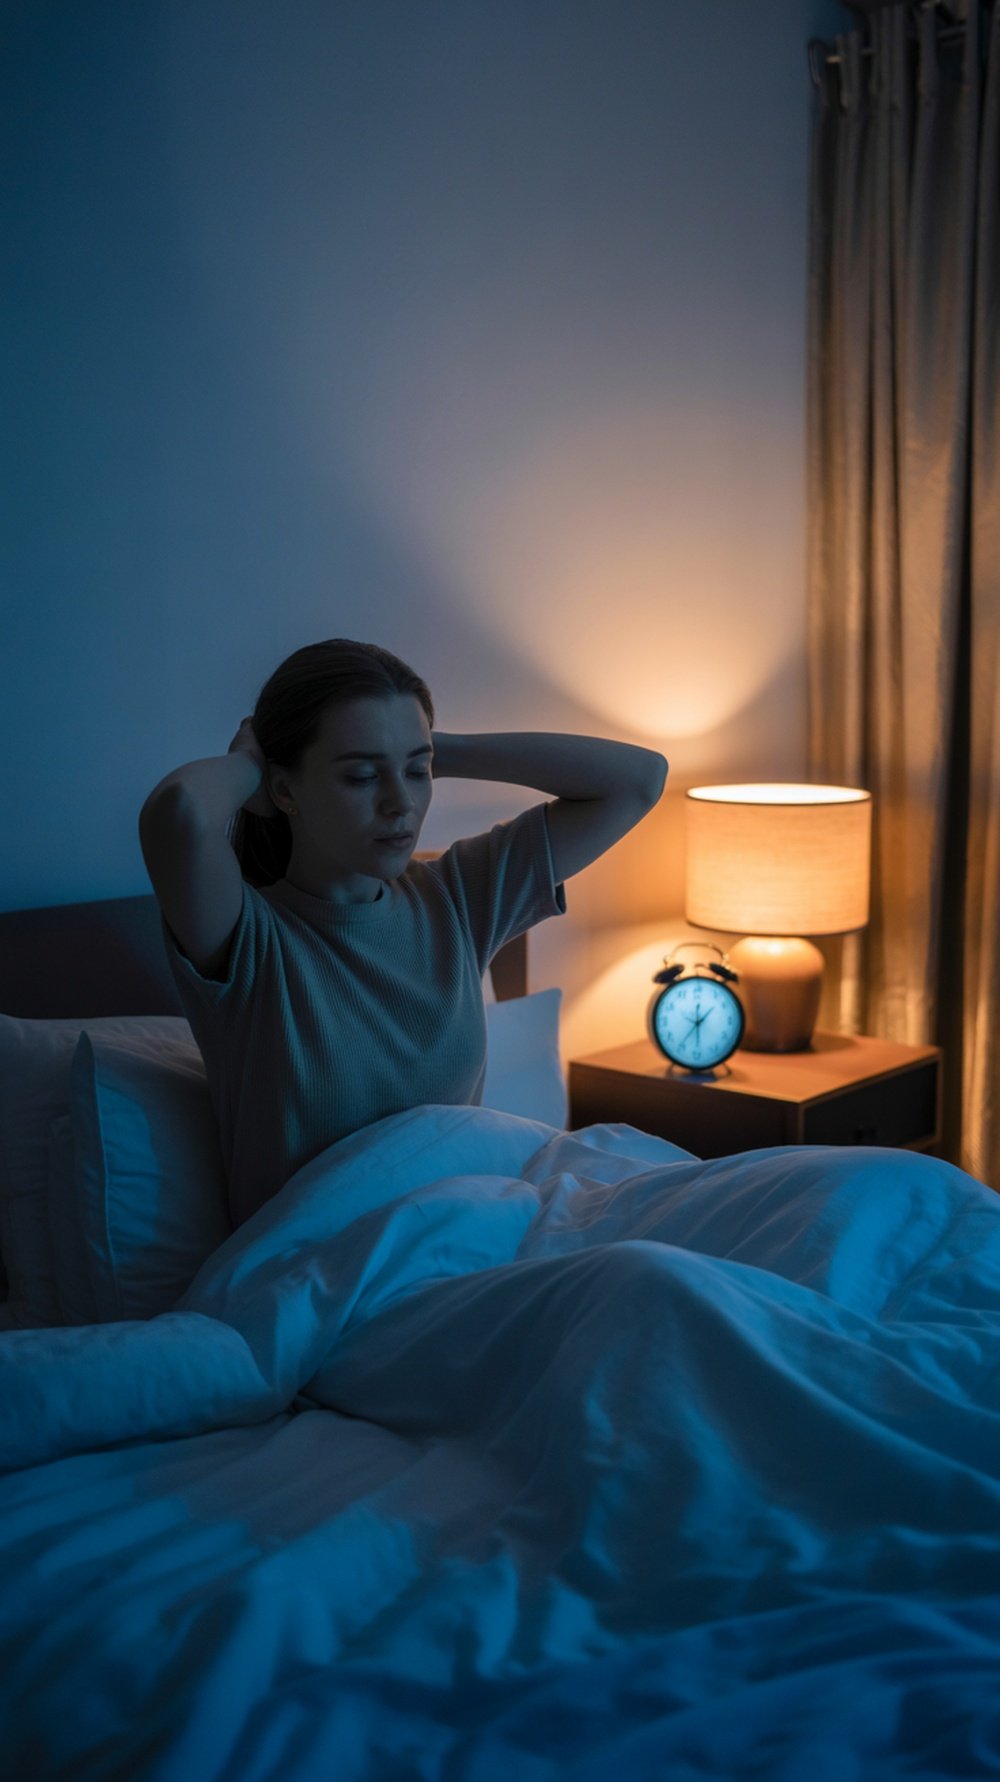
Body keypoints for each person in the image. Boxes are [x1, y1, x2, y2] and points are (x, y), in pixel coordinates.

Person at [138, 638, 668, 1227]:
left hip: (472, 1241)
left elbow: (641, 778)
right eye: (362, 777)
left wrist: (430, 747)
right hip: (323, 1278)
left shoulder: (459, 897)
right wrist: (250, 764)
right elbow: (181, 811)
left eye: (418, 773)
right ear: (284, 790)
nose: (401, 804)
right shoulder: (249, 940)